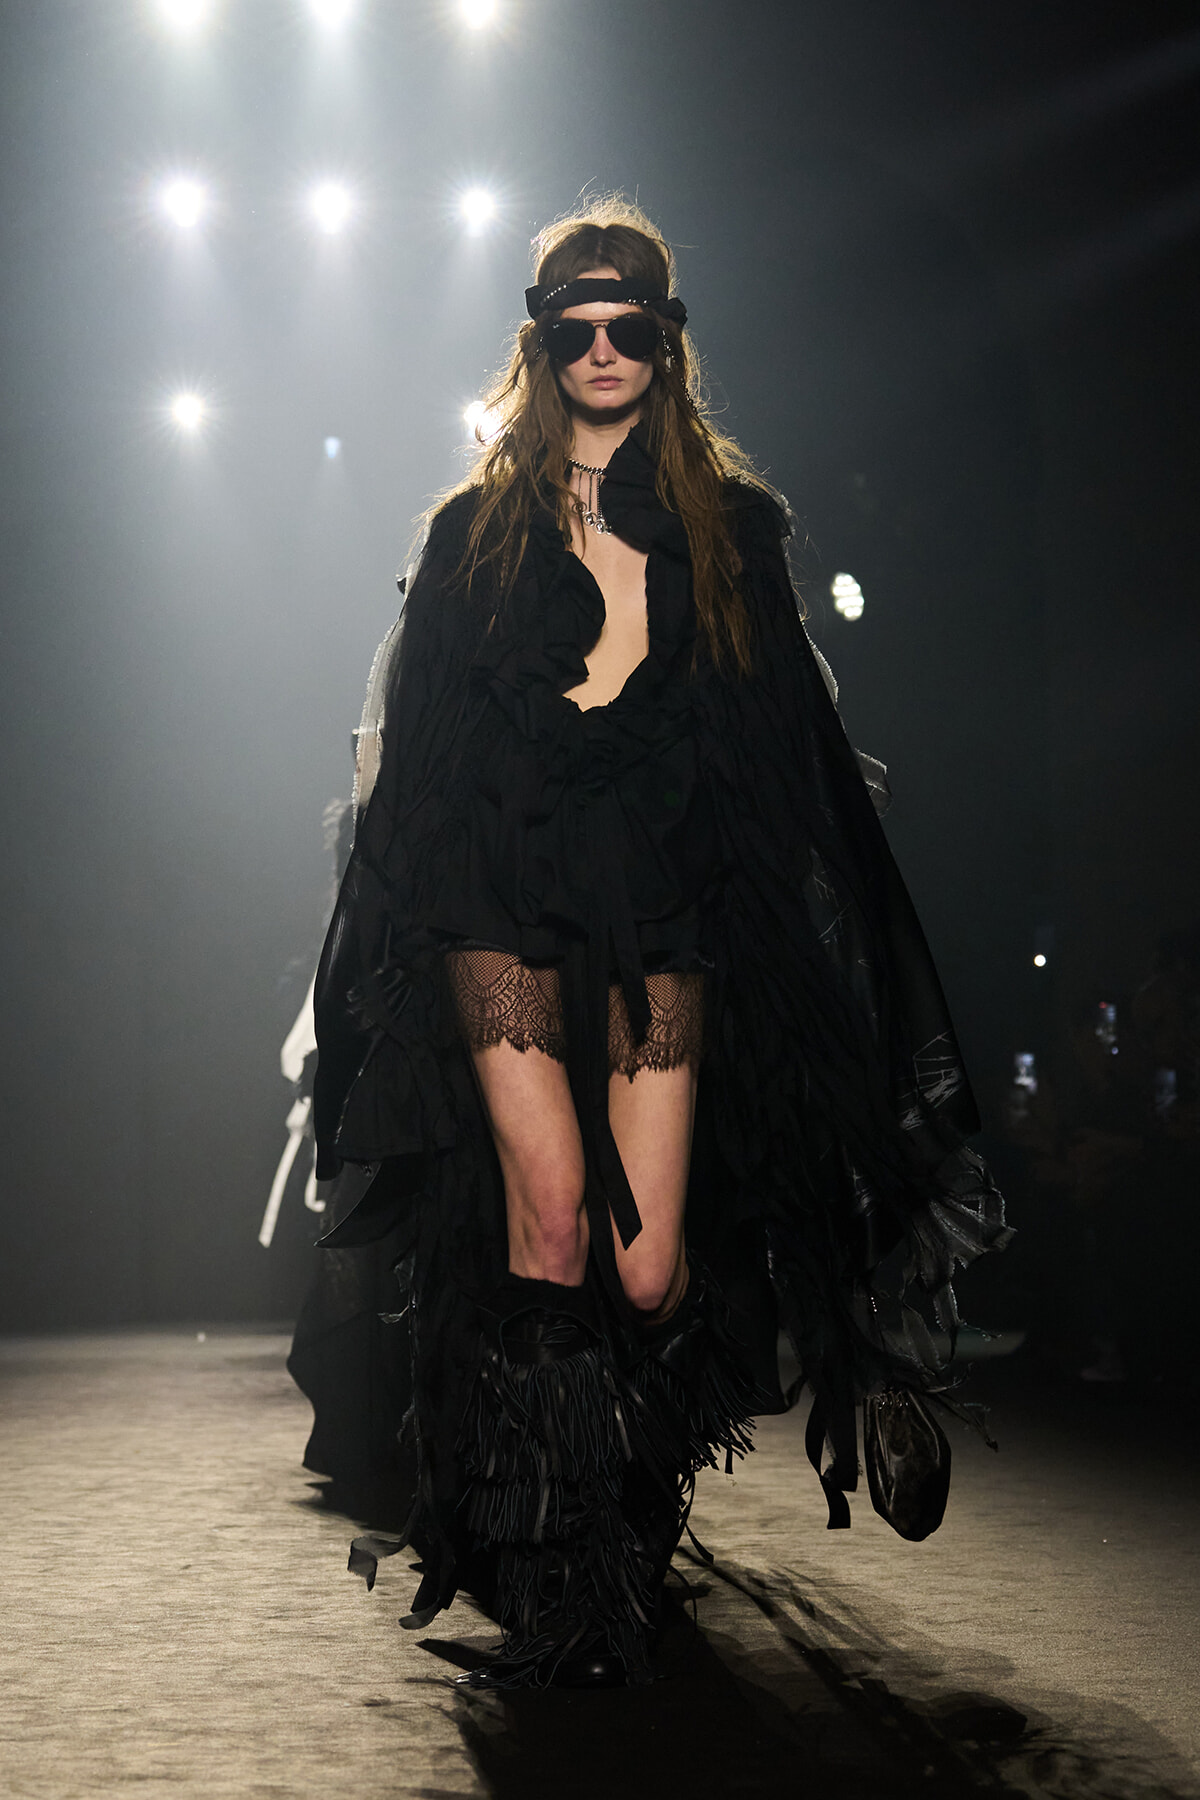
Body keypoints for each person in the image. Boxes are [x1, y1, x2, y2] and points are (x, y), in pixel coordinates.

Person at [310, 198, 1010, 1689]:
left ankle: (630, 1494)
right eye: (577, 328)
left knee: (641, 1274)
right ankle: (565, 1575)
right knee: (550, 1222)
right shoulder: (471, 533)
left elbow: (791, 756)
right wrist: (385, 942)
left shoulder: (733, 535)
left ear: (671, 343)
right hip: (496, 909)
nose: (606, 349)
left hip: (667, 917)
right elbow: (410, 762)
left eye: (634, 326)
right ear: (541, 339)